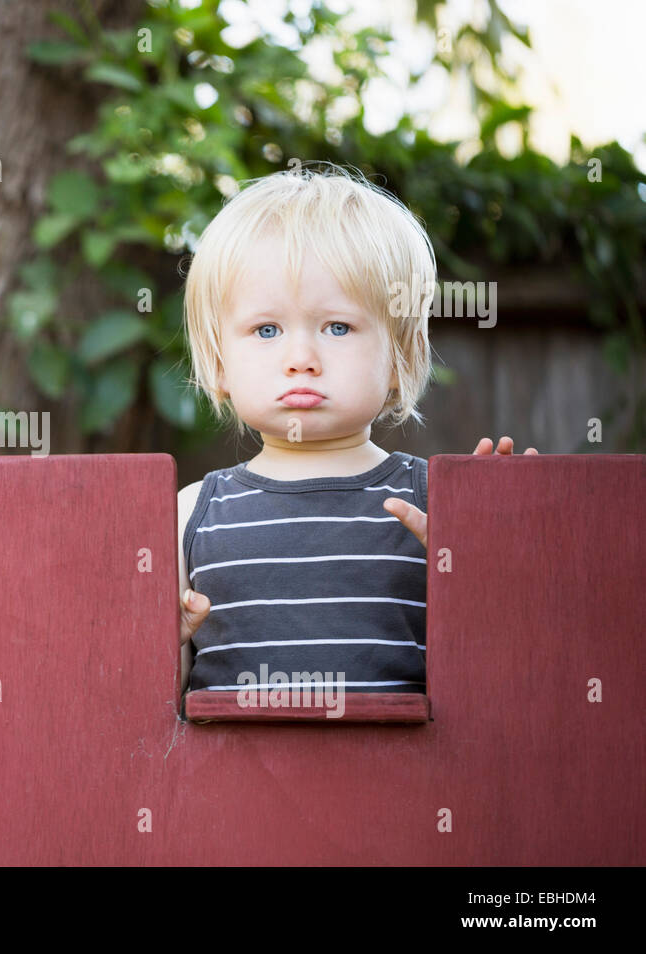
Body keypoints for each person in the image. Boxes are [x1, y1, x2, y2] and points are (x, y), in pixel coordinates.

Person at [176, 162, 537, 702]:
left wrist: (498, 560)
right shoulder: (188, 515)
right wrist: (157, 643)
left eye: (338, 327)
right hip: (231, 787)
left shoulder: (436, 506)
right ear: (219, 362)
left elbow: (507, 683)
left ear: (400, 358)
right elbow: (148, 711)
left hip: (406, 786)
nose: (301, 359)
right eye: (266, 329)